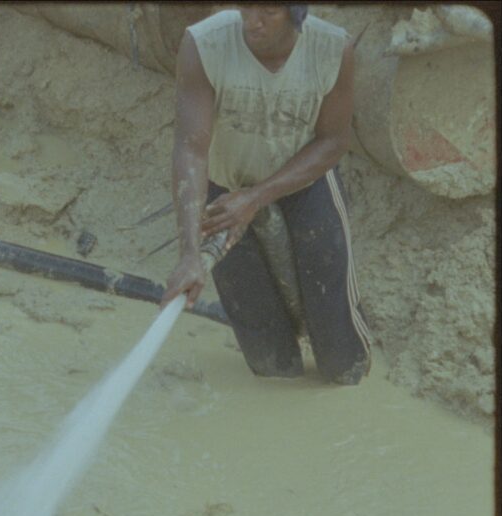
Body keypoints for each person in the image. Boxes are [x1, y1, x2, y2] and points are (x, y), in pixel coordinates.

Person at [159, 4, 372, 385]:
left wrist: (257, 197)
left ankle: (343, 367)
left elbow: (333, 141)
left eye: (269, 11)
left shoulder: (333, 49)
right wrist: (190, 253)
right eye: (247, 6)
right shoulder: (204, 44)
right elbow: (191, 150)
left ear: (295, 13)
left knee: (342, 358)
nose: (251, 22)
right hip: (225, 189)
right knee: (269, 359)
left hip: (306, 185)